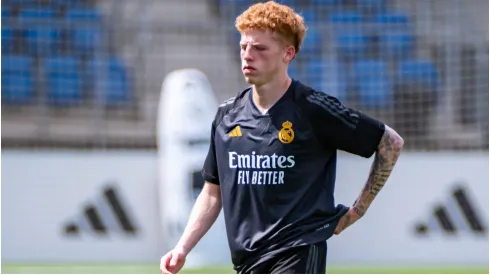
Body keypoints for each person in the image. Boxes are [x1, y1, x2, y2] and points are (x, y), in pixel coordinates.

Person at [160, 1, 404, 274]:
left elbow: (390, 142)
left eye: (259, 48)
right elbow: (212, 192)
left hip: (298, 251)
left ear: (288, 53)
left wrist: (358, 210)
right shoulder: (226, 116)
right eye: (243, 47)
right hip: (247, 261)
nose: (247, 56)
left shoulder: (313, 108)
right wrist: (183, 247)